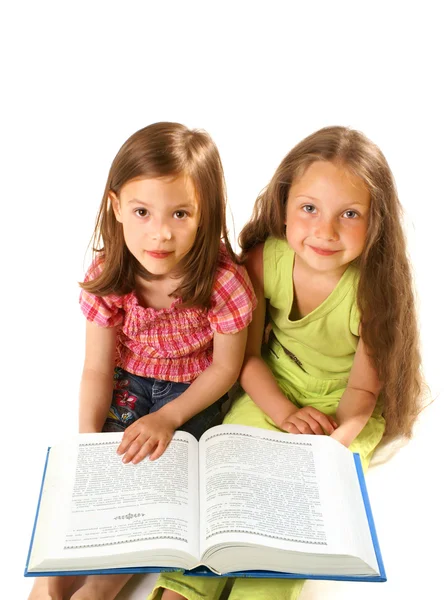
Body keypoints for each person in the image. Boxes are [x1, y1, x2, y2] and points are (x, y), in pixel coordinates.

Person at [150, 125, 424, 600]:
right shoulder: (264, 260)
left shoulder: (374, 294)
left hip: (343, 412)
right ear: (284, 204)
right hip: (271, 387)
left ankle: (262, 591)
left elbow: (362, 395)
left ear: (376, 221)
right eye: (310, 208)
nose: (326, 231)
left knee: (293, 509)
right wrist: (282, 413)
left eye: (350, 214)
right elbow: (249, 358)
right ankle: (185, 587)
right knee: (230, 475)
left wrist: (328, 447)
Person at [27, 122, 256, 600]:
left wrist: (169, 418)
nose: (161, 233)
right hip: (128, 385)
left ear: (205, 215)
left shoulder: (223, 282)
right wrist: (88, 446)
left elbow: (225, 369)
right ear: (116, 207)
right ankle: (57, 578)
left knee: (154, 493)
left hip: (190, 393)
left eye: (180, 214)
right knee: (107, 476)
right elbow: (96, 368)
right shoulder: (110, 272)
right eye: (142, 212)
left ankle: (102, 588)